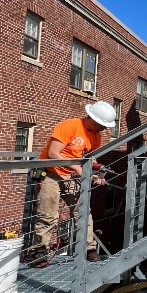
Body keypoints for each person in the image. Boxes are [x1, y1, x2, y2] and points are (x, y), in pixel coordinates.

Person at [26, 101, 116, 267]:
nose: (103, 128)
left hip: (71, 176)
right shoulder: (69, 126)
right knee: (47, 213)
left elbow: (90, 157)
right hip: (51, 173)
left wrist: (96, 174)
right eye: (101, 124)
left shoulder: (96, 136)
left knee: (82, 211)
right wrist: (78, 168)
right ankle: (39, 251)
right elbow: (53, 153)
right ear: (91, 118)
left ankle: (89, 249)